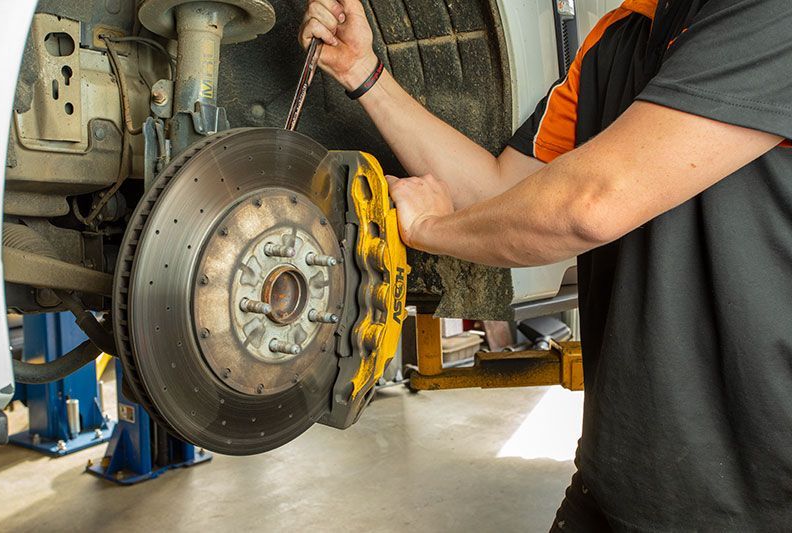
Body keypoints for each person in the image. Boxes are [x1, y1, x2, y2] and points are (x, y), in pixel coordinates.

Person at [299, 0, 792, 530]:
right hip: (620, 479)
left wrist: (430, 231)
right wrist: (361, 72)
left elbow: (590, 205)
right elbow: (499, 190)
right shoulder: (620, 33)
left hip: (760, 495)